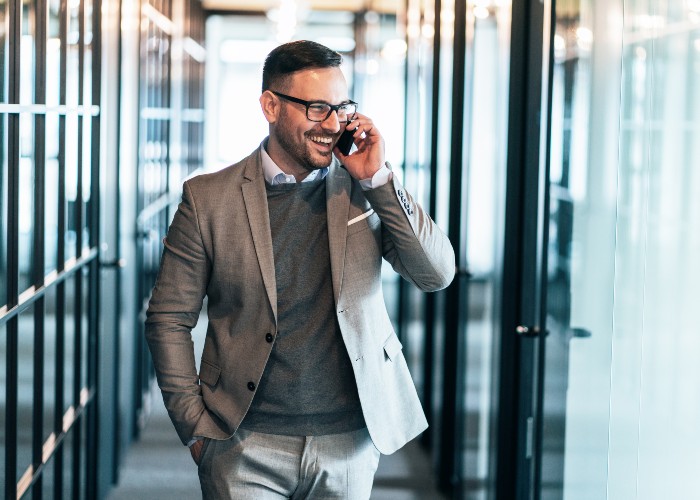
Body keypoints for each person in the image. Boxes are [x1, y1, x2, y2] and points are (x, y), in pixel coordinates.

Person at [145, 39, 455, 499]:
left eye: (341, 108)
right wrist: (194, 425)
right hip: (243, 443)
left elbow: (435, 274)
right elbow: (169, 317)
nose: (331, 124)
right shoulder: (208, 199)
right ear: (271, 106)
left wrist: (379, 178)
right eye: (315, 108)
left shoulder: (362, 189)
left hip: (349, 440)